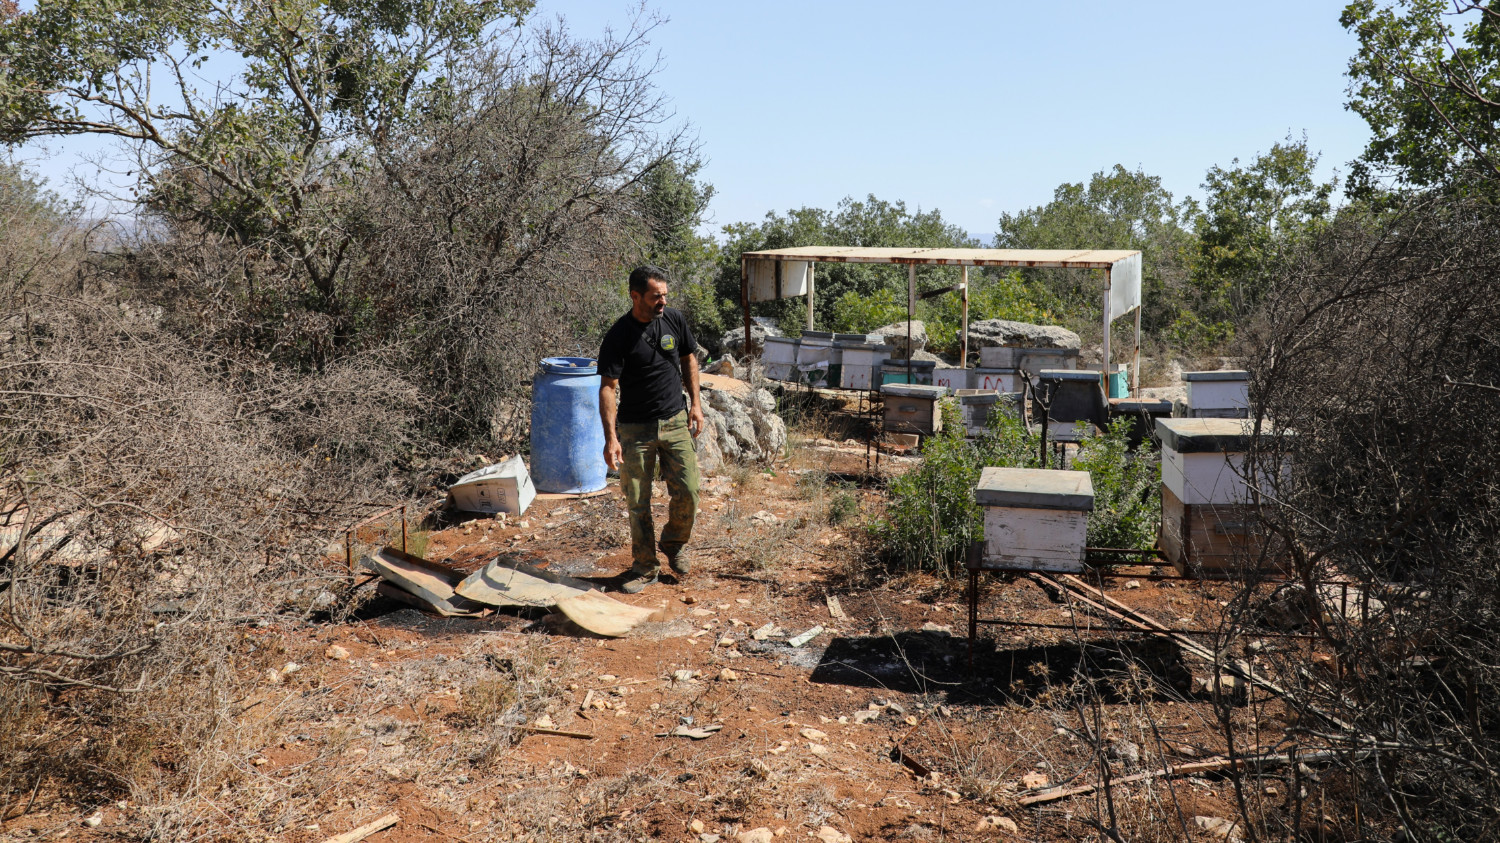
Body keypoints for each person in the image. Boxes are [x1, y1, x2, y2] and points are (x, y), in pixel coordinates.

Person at [597, 265, 705, 593]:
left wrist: (696, 404)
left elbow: (688, 359)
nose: (662, 302)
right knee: (637, 501)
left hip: (675, 421)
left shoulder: (673, 319)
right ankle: (645, 566)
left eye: (665, 296)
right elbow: (607, 387)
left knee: (689, 490)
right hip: (634, 429)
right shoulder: (618, 335)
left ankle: (673, 543)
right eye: (656, 296)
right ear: (635, 296)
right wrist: (611, 437)